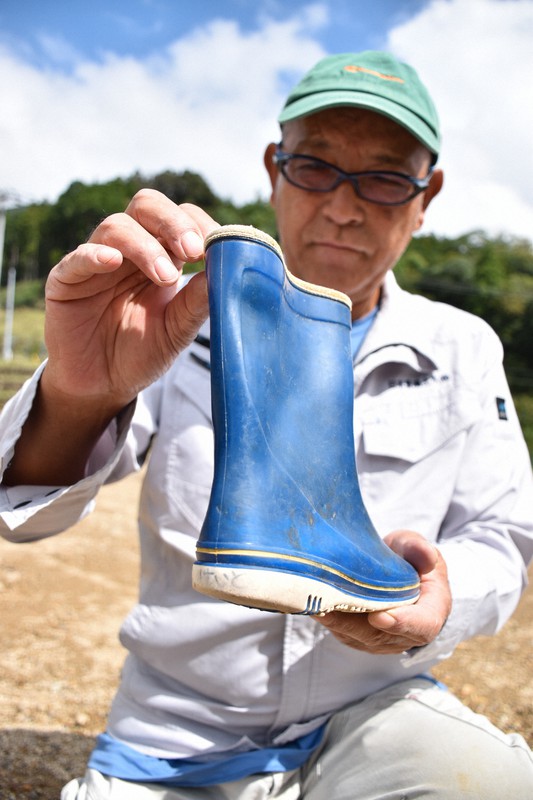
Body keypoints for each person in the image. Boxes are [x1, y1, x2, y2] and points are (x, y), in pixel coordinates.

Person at [1, 50, 532, 799]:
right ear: (273, 168)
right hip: (179, 728)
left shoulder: (462, 347)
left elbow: (499, 535)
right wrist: (82, 393)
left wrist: (439, 598)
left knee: (488, 783)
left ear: (426, 196)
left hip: (373, 710)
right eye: (315, 166)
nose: (344, 208)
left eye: (383, 177)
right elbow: (25, 522)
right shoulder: (177, 317)